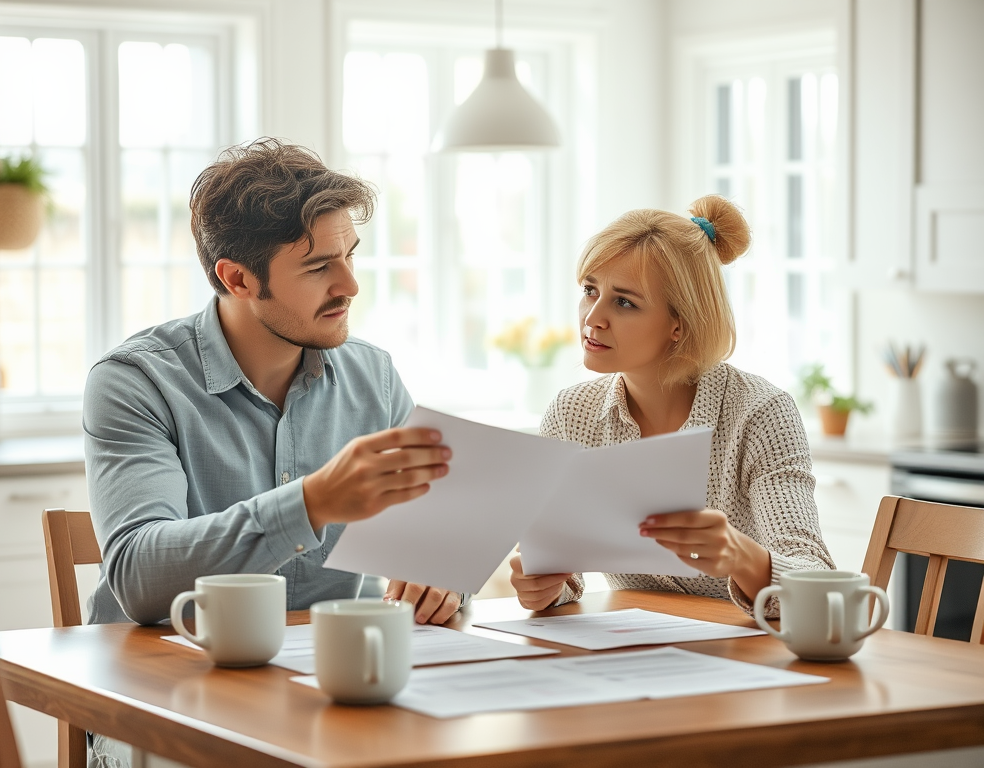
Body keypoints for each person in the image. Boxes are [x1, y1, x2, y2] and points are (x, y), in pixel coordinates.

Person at [83, 137, 465, 636]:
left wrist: (444, 576)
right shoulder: (136, 383)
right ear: (238, 279)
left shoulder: (374, 377)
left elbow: (444, 532)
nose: (349, 285)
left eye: (350, 256)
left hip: (321, 677)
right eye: (318, 266)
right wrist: (312, 503)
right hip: (156, 683)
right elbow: (138, 578)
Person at [509, 195, 834, 614]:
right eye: (590, 290)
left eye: (624, 301)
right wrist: (545, 585)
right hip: (632, 655)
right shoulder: (573, 414)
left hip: (746, 658)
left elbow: (817, 583)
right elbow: (561, 568)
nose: (593, 317)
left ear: (679, 324)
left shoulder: (759, 413)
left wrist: (741, 556)